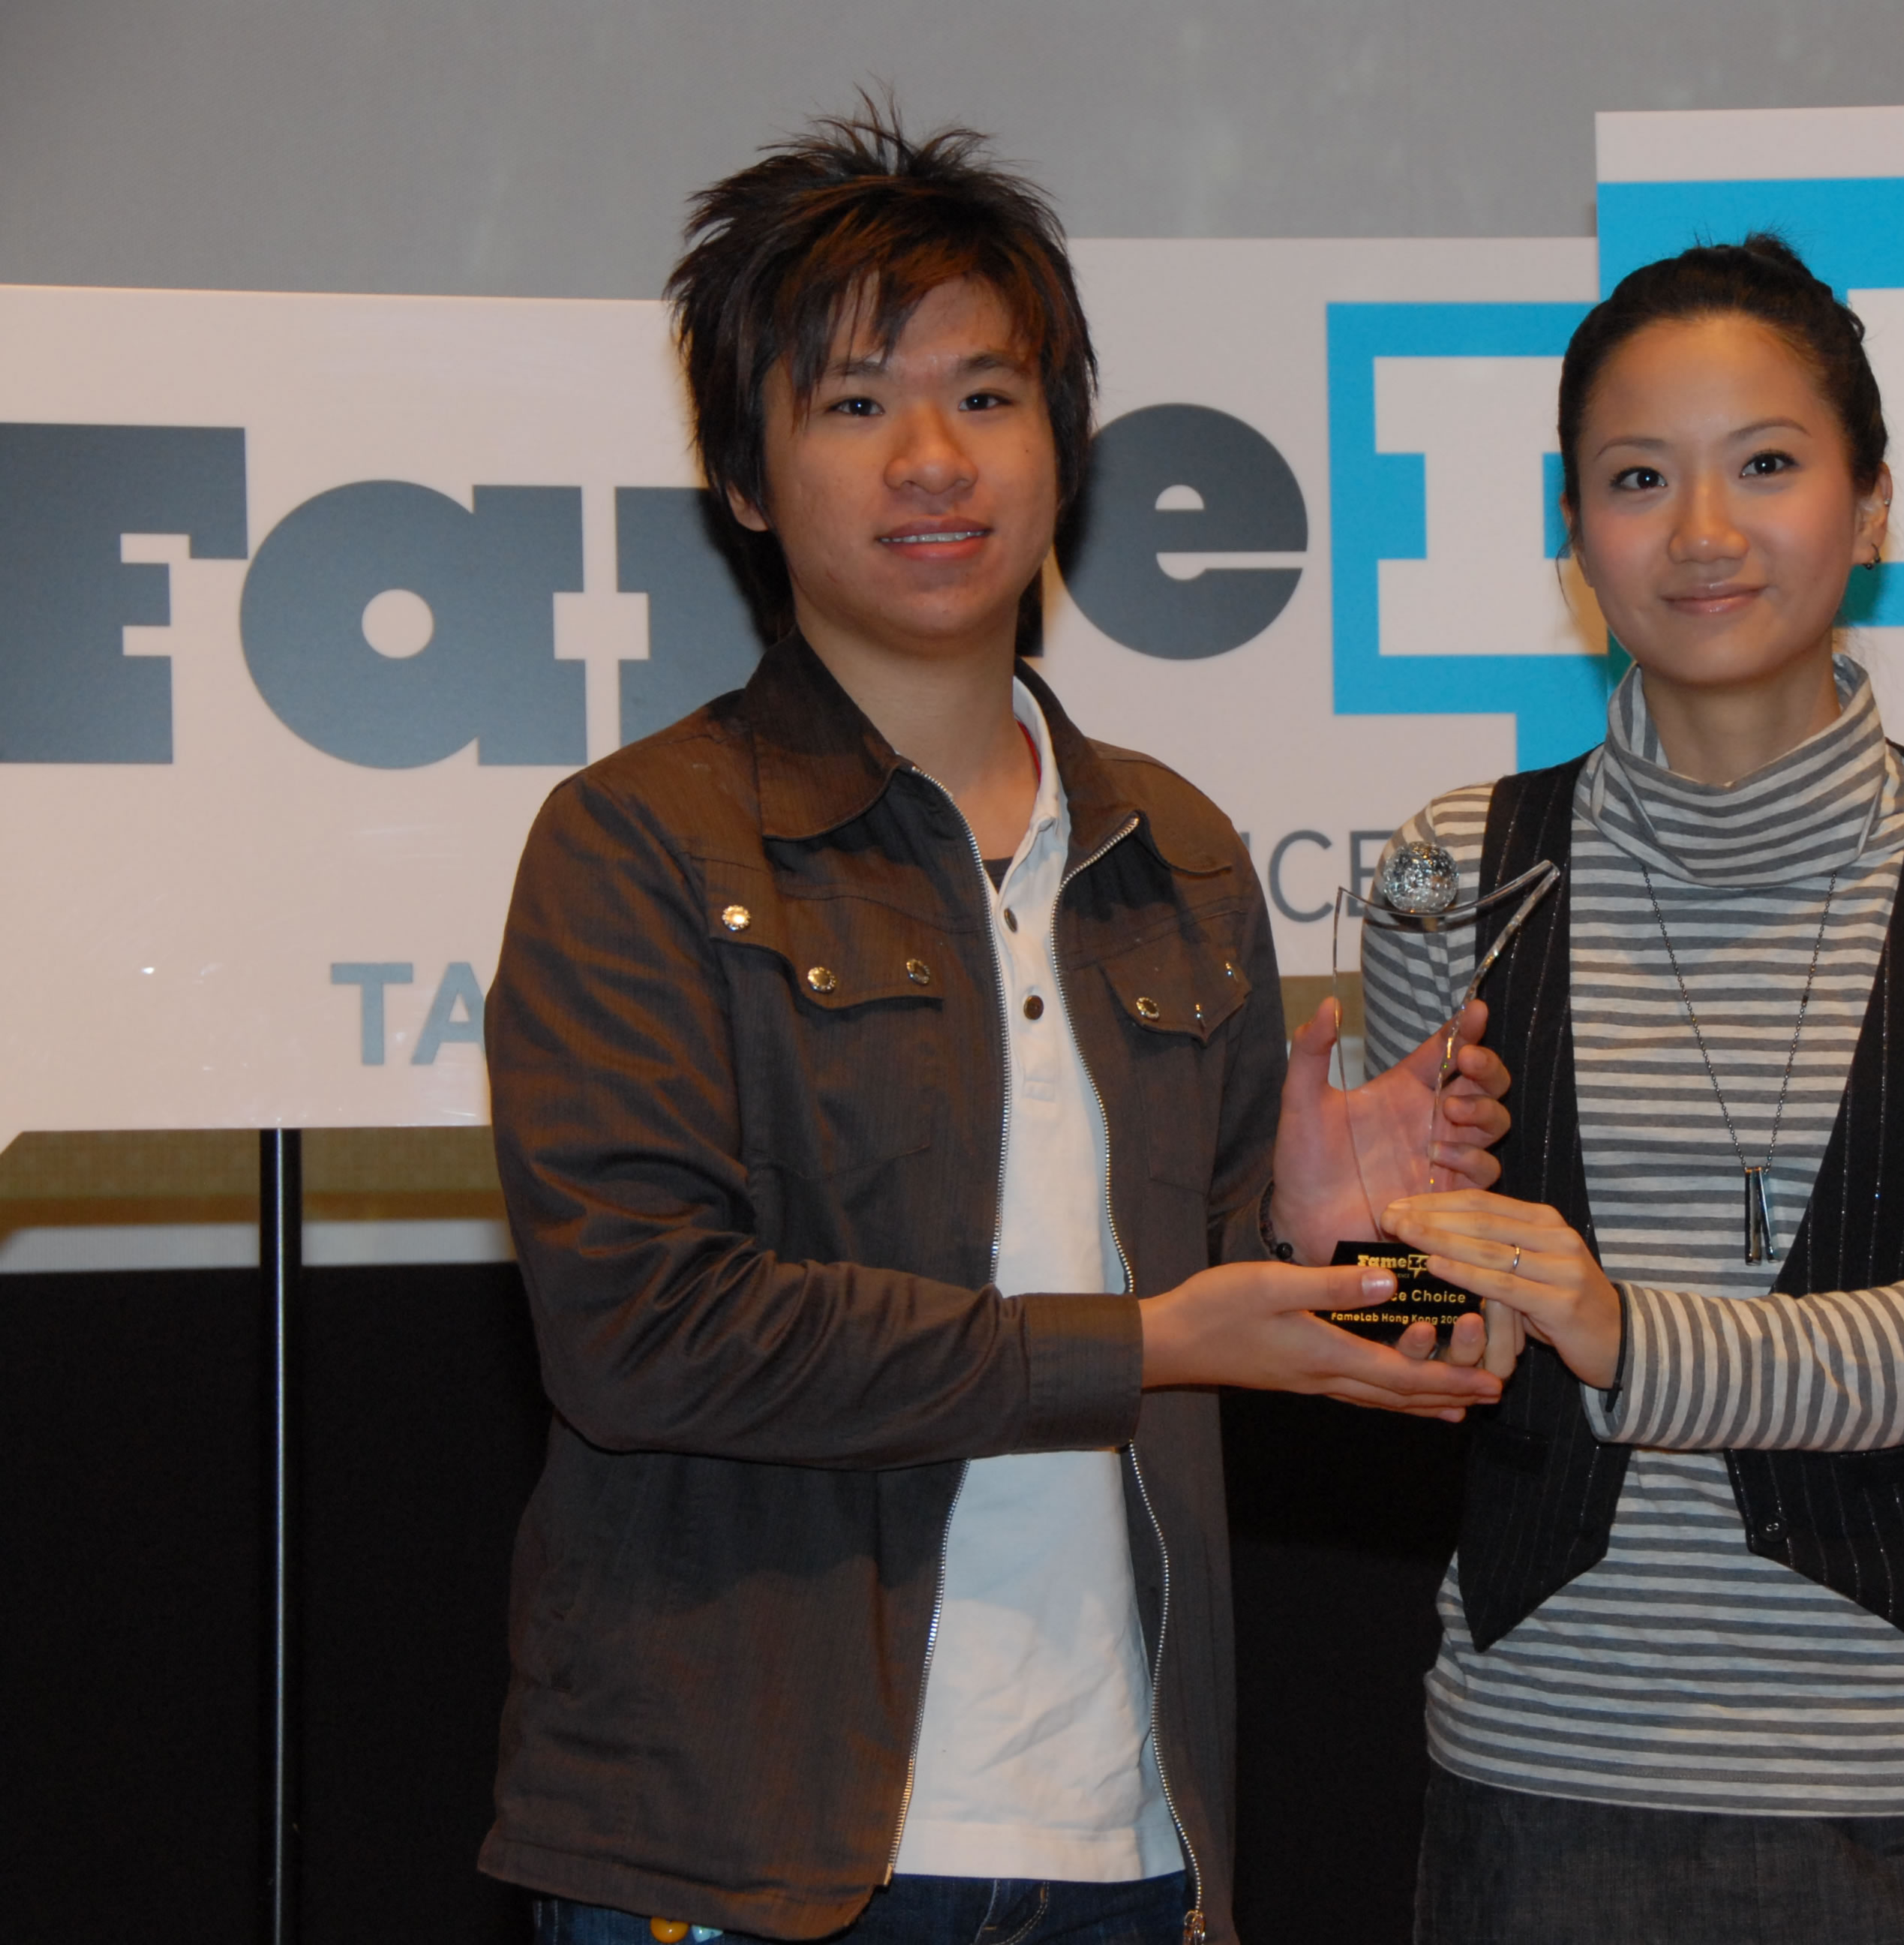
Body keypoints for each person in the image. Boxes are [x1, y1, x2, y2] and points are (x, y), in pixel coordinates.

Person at [480, 107, 1507, 1945]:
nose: (934, 458)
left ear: (1065, 447)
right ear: (744, 474)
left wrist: (1333, 1250)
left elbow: (1210, 1322)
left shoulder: (1173, 847)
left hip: (1128, 1834)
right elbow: (643, 1334)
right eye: (855, 403)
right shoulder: (639, 841)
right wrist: (1144, 1331)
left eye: (989, 394)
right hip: (754, 1852)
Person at [1367, 236, 1904, 1943]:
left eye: (1767, 465)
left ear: (1871, 506)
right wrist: (1355, 1260)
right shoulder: (1450, 870)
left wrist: (1625, 1331)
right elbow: (1424, 1345)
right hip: (1541, 1786)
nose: (1702, 534)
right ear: (1574, 532)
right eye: (1637, 479)